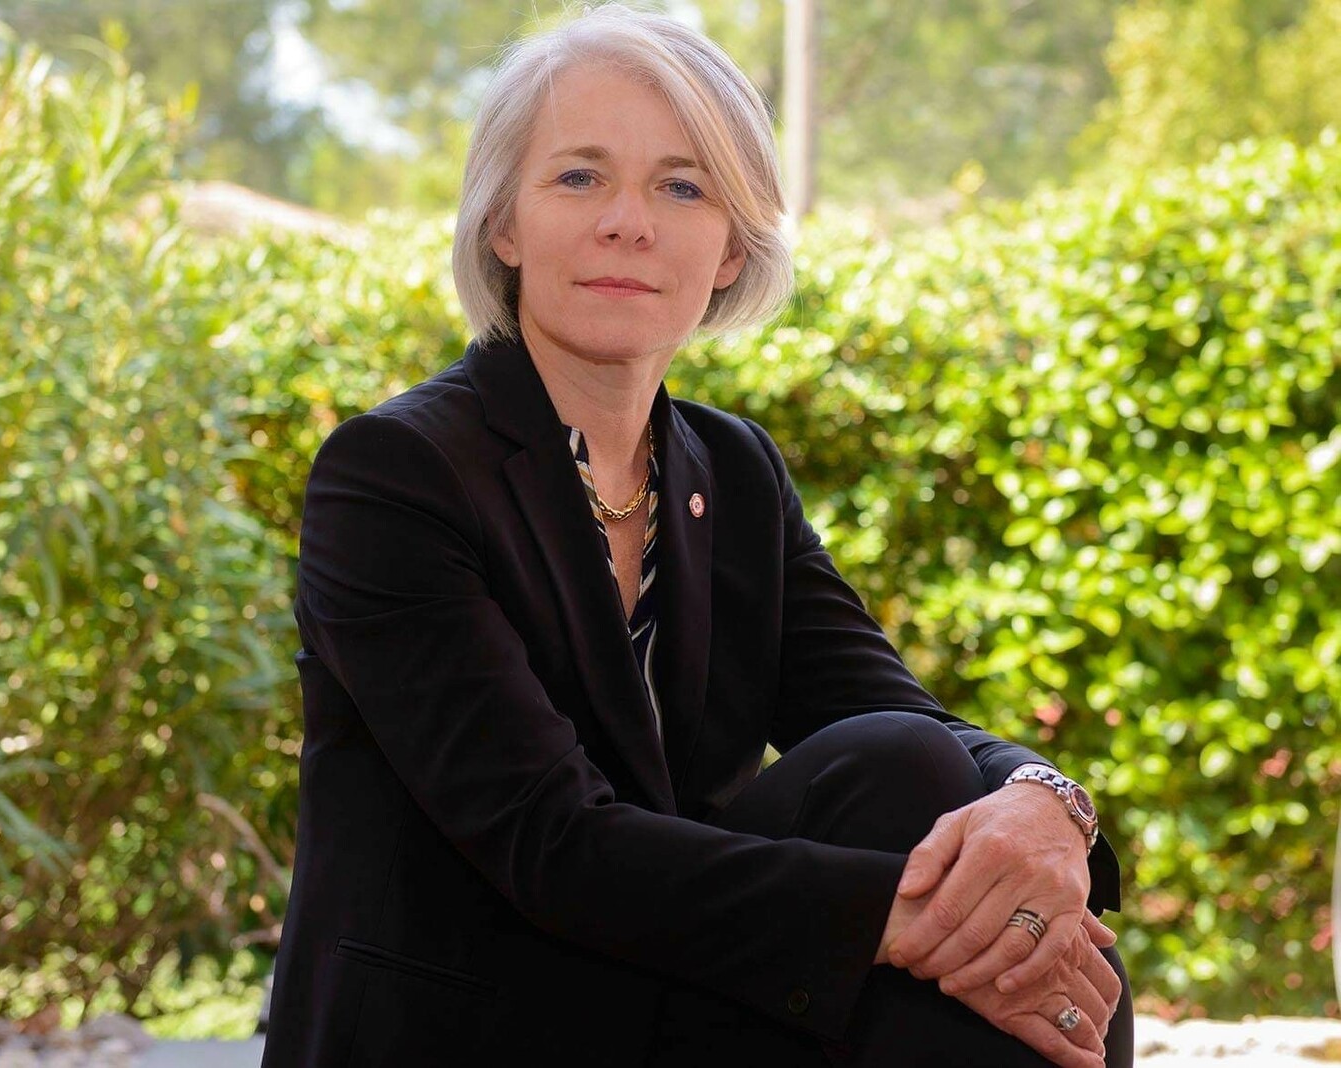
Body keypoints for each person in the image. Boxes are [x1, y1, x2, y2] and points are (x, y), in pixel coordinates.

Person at [260, 5, 1132, 1066]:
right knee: (1000, 956)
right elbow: (549, 844)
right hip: (470, 1023)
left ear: (730, 247)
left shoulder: (734, 472)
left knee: (929, 798)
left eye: (682, 187)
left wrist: (1044, 807)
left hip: (666, 998)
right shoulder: (394, 474)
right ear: (503, 225)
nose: (628, 222)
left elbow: (896, 718)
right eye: (579, 176)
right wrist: (907, 922)